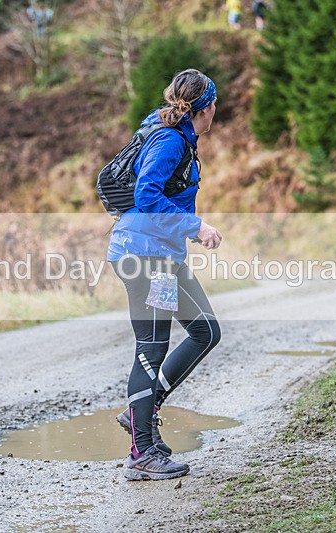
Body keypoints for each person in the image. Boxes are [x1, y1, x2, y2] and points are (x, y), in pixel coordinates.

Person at [107, 69, 224, 481]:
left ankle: (140, 413)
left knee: (205, 330)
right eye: (214, 107)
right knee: (151, 345)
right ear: (205, 109)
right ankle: (142, 452)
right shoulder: (171, 139)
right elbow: (146, 195)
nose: (216, 114)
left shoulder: (173, 134)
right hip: (143, 256)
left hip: (161, 255)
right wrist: (197, 227)